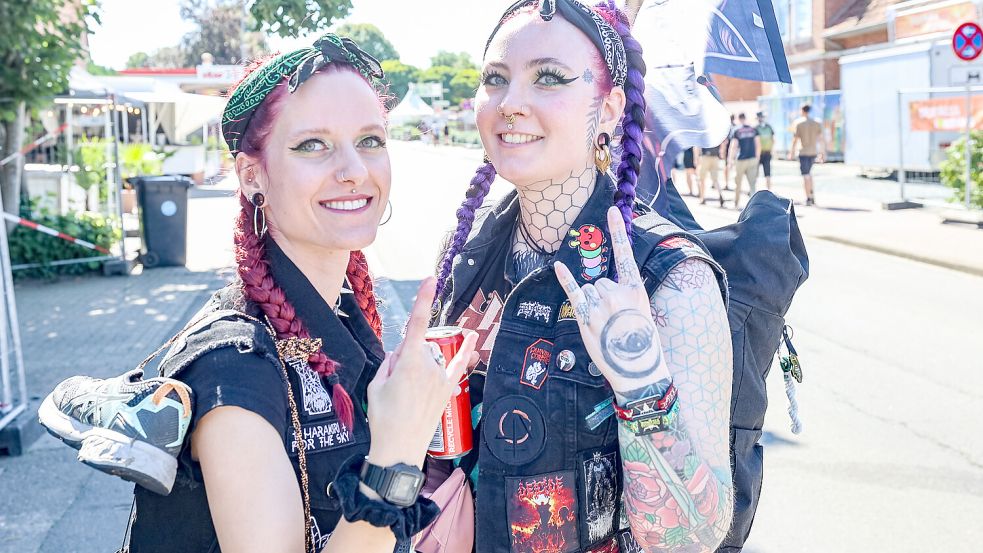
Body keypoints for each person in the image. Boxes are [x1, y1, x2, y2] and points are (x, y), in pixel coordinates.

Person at [39, 34, 478, 553]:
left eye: (370, 140)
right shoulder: (234, 370)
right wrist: (397, 451)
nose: (354, 170)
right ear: (252, 176)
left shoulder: (341, 318)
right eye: (312, 145)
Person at [430, 1, 734, 552]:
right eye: (494, 80)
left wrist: (641, 383)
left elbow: (693, 539)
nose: (510, 104)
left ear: (610, 109)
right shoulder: (464, 259)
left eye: (548, 78)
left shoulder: (672, 278)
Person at [789, 103, 824, 206]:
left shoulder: (798, 123)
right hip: (813, 152)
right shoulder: (816, 123)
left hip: (803, 152)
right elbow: (821, 139)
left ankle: (808, 197)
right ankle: (812, 194)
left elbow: (795, 140)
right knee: (809, 174)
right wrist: (822, 153)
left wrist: (791, 152)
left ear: (802, 110)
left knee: (806, 175)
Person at [727, 112, 760, 210]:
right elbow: (758, 144)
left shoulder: (737, 130)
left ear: (738, 119)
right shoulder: (753, 129)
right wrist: (757, 158)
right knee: (752, 184)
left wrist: (730, 161)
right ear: (745, 118)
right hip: (752, 159)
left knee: (738, 183)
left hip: (741, 159)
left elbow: (733, 146)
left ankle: (736, 204)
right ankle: (753, 206)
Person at [697, 139, 725, 206]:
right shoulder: (717, 133)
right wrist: (721, 154)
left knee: (702, 179)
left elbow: (697, 146)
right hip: (715, 157)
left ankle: (702, 198)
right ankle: (720, 194)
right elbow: (723, 143)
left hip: (705, 157)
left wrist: (697, 158)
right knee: (715, 179)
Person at [755, 111, 774, 190]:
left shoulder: (768, 127)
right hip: (760, 153)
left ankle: (768, 189)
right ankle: (753, 189)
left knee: (767, 173)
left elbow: (773, 139)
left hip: (765, 153)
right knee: (756, 173)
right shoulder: (756, 128)